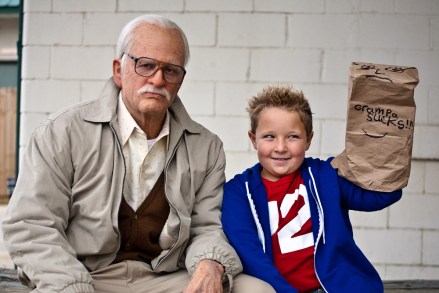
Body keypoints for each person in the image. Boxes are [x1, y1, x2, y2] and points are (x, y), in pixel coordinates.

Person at [2, 14, 275, 293]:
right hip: (81, 274)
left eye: (171, 70)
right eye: (146, 65)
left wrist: (210, 263)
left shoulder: (206, 147)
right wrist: (71, 286)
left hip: (164, 278)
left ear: (181, 79)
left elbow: (206, 227)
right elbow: (31, 225)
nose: (158, 79)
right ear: (119, 70)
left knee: (256, 290)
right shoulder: (62, 133)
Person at [221, 84, 403, 293]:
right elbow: (249, 254)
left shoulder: (325, 175)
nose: (280, 147)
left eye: (293, 137)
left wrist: (390, 157)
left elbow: (377, 198)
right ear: (254, 139)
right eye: (269, 136)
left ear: (309, 139)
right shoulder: (238, 192)